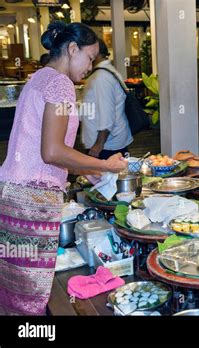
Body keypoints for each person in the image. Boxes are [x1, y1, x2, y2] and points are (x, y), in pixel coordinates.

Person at [0, 21, 127, 315]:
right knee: (31, 297)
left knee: (14, 291)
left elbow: (40, 145)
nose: (90, 66)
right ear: (72, 49)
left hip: (13, 195)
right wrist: (104, 164)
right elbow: (52, 151)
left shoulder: (39, 77)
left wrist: (82, 169)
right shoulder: (60, 84)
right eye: (89, 58)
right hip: (33, 200)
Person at [81, 39, 133, 159]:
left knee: (107, 178)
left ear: (95, 53)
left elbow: (107, 113)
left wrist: (98, 144)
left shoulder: (101, 77)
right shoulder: (106, 72)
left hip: (107, 146)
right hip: (109, 143)